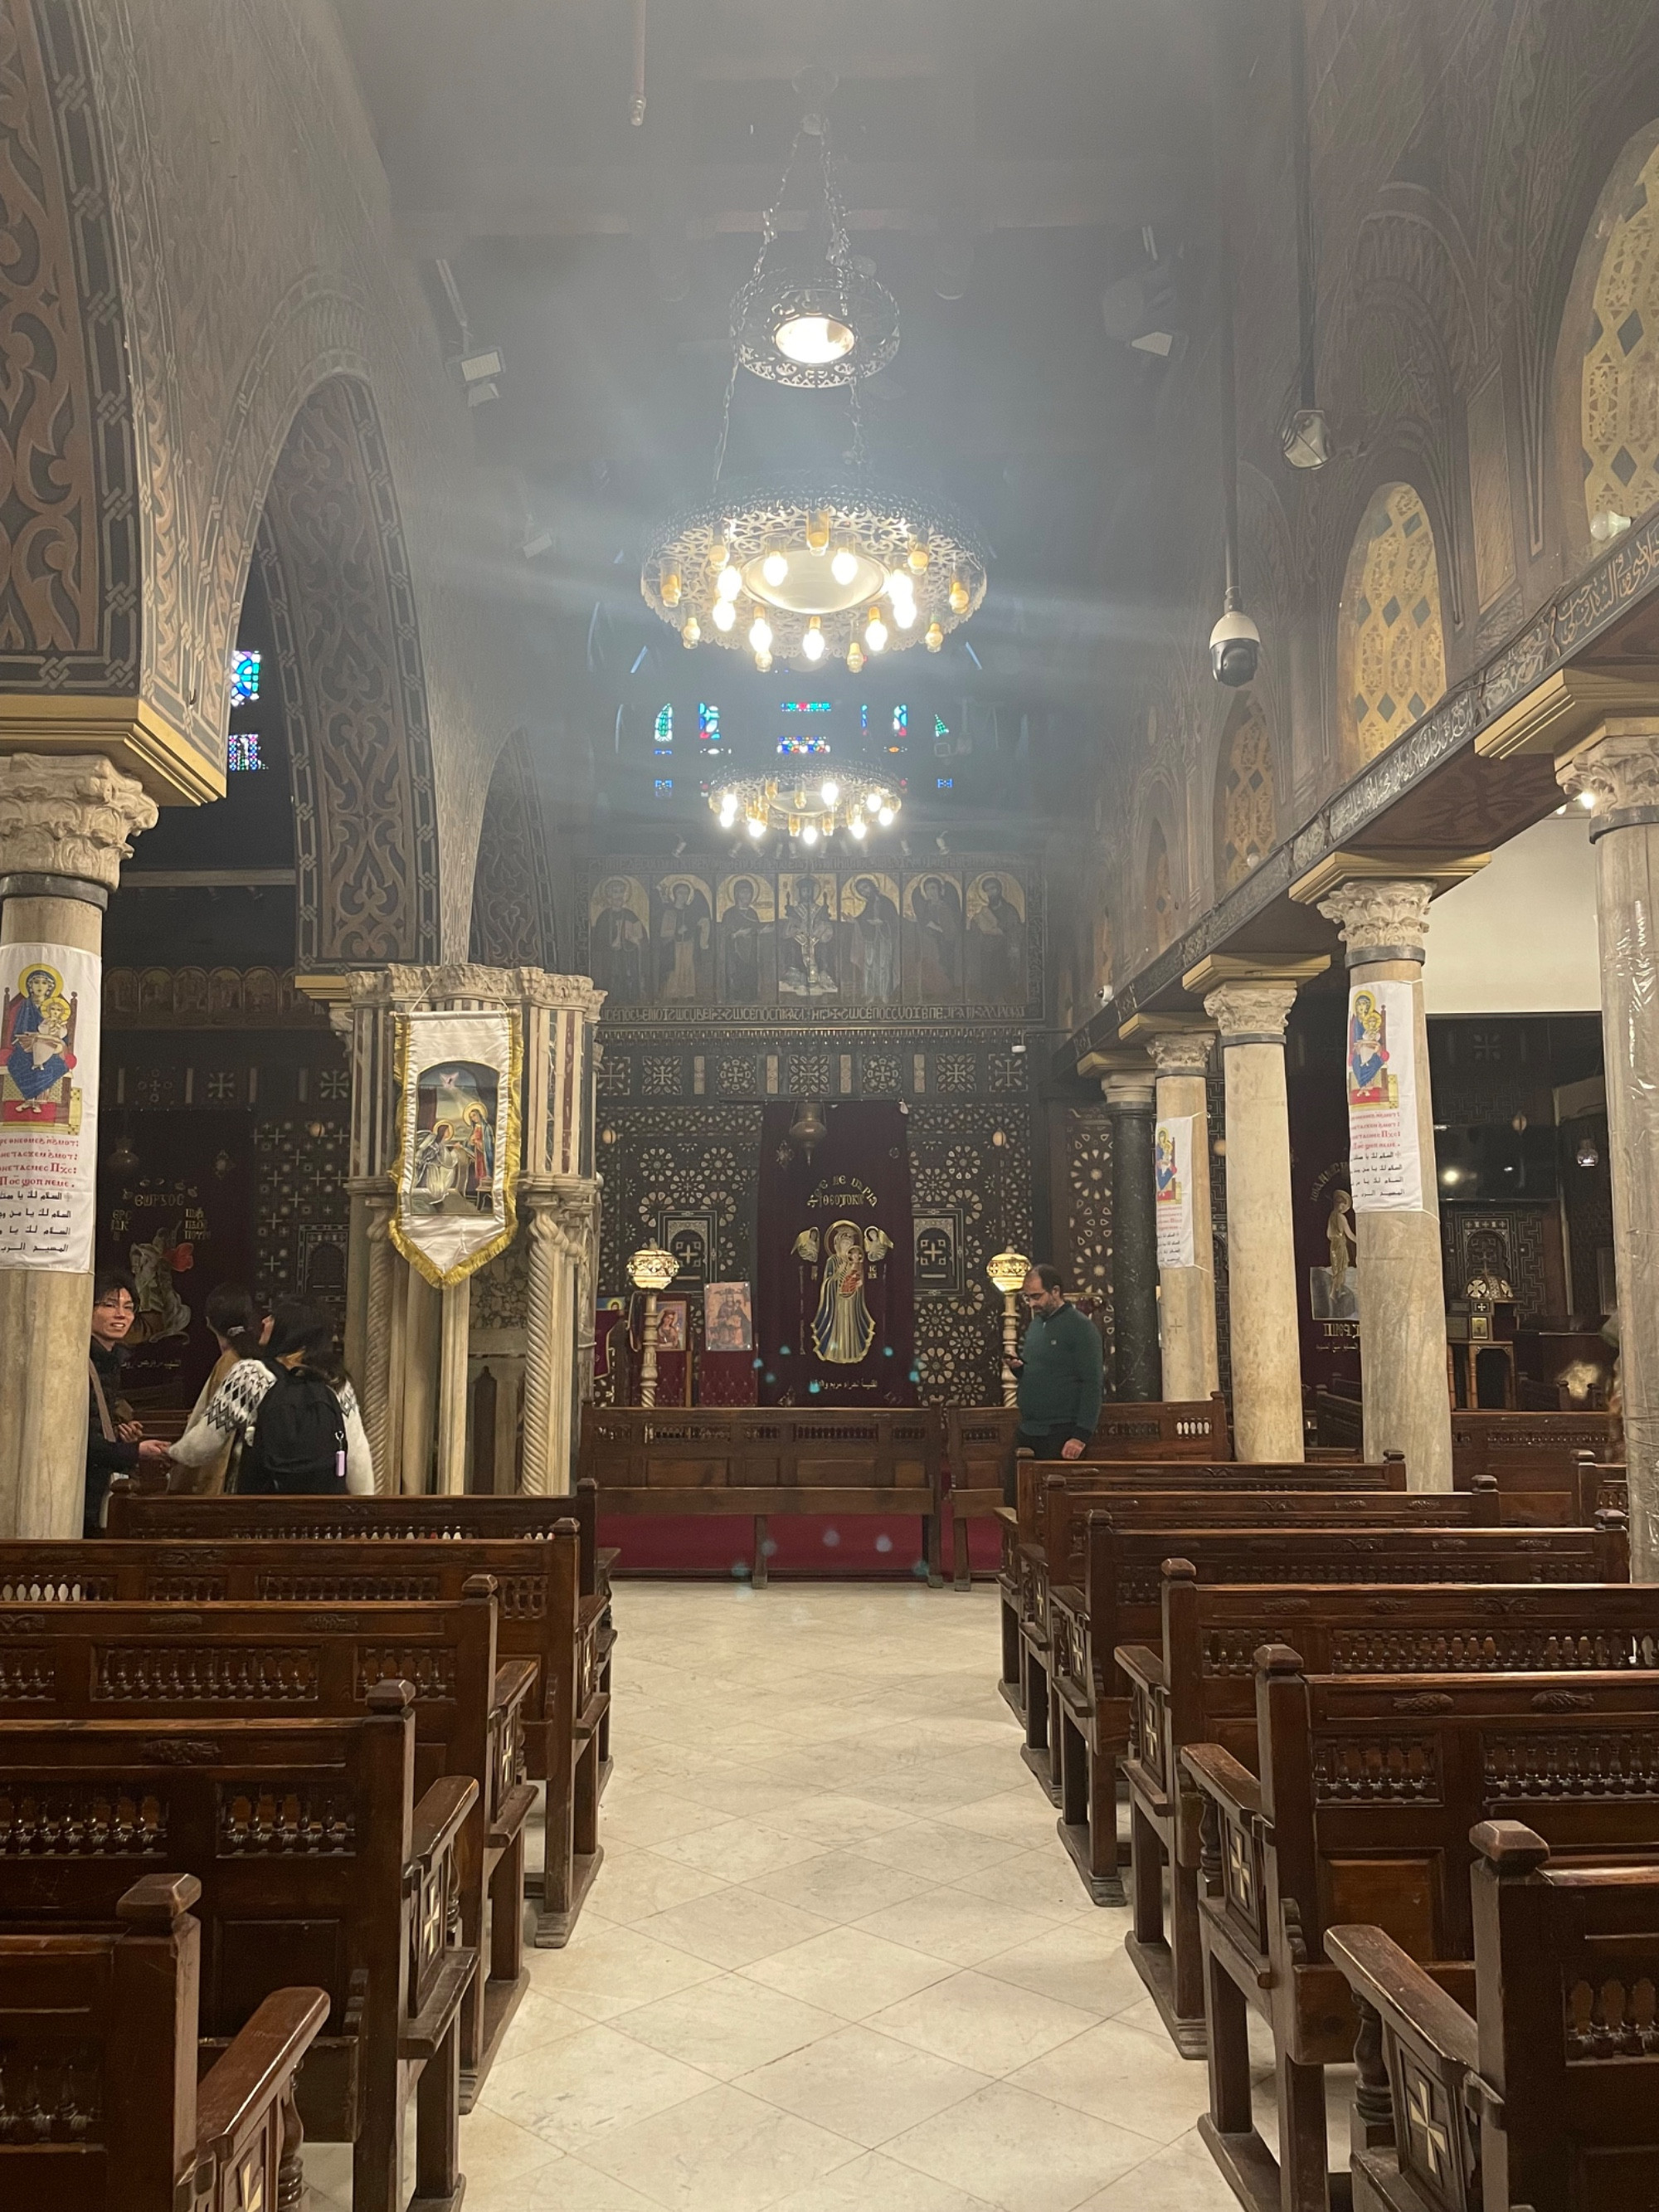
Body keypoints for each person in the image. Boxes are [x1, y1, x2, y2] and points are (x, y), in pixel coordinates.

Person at [168, 1297, 374, 1495]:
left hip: (259, 1518)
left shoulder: (250, 1375)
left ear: (290, 1329)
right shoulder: (336, 1381)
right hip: (321, 1521)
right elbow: (357, 1457)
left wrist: (170, 1453)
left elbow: (202, 1447)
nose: (264, 1321)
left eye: (273, 1318)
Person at [1006, 1263, 1103, 1497]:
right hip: (1029, 1429)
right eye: (1027, 1298)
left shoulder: (1081, 1328)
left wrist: (1081, 1435)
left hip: (1060, 1432)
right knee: (1015, 1499)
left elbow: (1092, 1382)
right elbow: (1043, 1371)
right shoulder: (1037, 1325)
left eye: (1037, 1297)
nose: (1031, 1304)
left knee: (1053, 1507)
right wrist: (1020, 1370)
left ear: (1056, 1291)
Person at [85, 1268, 171, 1534]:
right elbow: (77, 1441)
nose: (121, 1315)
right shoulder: (79, 1360)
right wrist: (136, 1451)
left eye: (129, 1307)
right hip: (78, 1491)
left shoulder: (110, 1361)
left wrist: (121, 1435)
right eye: (110, 1306)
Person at [168, 1284, 270, 1496]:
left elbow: (216, 1439)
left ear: (208, 1322)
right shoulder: (263, 1358)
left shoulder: (230, 1363)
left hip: (232, 1480)